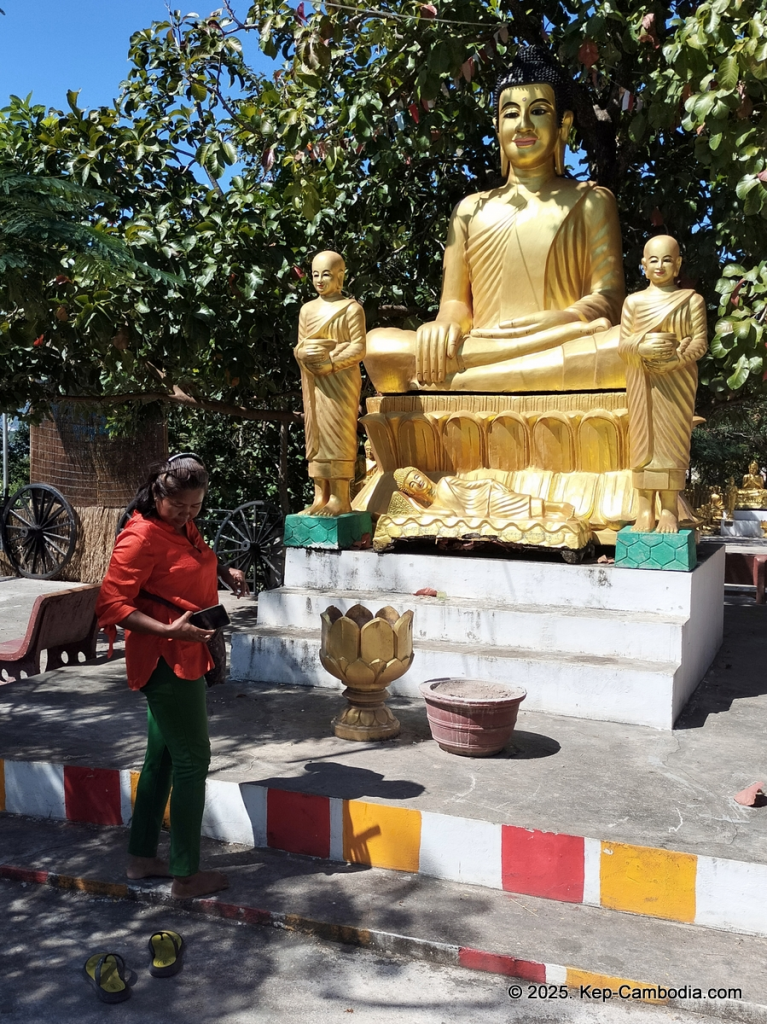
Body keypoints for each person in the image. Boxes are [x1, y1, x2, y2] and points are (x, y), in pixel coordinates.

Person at [364, 45, 625, 393]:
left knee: (631, 344)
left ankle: (464, 383)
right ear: (498, 126)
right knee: (379, 347)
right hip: (485, 345)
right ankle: (499, 378)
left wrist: (568, 317)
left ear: (563, 125)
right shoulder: (470, 210)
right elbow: (456, 303)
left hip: (560, 340)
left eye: (538, 111)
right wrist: (444, 326)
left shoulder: (591, 200)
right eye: (511, 113)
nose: (524, 125)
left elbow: (609, 298)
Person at [95, 453, 248, 899]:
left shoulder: (184, 527)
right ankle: (185, 874)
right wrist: (167, 630)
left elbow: (186, 563)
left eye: (195, 506)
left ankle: (142, 858)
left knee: (162, 758)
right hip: (164, 657)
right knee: (192, 760)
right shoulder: (140, 537)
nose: (186, 514)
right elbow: (110, 605)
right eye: (178, 506)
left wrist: (221, 570)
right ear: (156, 494)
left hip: (187, 651)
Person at [618, 235, 707, 533]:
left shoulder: (692, 301)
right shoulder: (633, 302)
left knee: (672, 445)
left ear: (678, 264)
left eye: (667, 260)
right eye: (653, 260)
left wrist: (675, 360)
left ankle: (669, 510)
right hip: (642, 380)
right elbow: (623, 345)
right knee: (642, 445)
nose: (660, 265)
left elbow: (700, 343)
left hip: (676, 382)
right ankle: (645, 510)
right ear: (643, 265)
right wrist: (640, 347)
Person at [294, 250, 366, 516]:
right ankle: (319, 496)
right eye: (315, 275)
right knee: (316, 437)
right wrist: (303, 355)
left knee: (338, 434)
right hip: (314, 381)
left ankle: (340, 498)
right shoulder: (307, 310)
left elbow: (359, 347)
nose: (319, 280)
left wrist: (332, 362)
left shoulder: (351, 309)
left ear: (340, 276)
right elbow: (300, 346)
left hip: (340, 381)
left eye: (326, 274)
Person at [393, 466, 575, 522]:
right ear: (413, 493)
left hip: (487, 498)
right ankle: (553, 516)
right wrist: (417, 508)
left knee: (519, 501)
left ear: (423, 474)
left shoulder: (445, 482)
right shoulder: (435, 508)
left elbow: (470, 485)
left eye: (416, 476)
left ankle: (556, 506)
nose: (418, 482)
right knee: (519, 515)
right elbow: (449, 515)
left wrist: (491, 482)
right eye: (412, 484)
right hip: (480, 514)